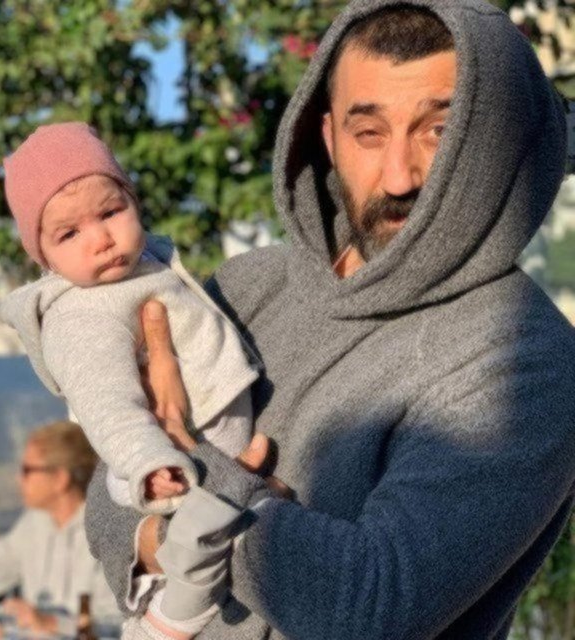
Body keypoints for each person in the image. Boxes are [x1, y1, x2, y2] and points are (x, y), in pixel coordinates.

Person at [85, 1, 575, 639]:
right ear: (328, 138)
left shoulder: (525, 358)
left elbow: (366, 609)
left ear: (496, 143)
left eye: (439, 131)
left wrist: (180, 470)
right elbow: (105, 494)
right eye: (368, 132)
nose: (398, 176)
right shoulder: (245, 286)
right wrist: (172, 533)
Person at [0, 122, 262, 639]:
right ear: (43, 257)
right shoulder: (80, 315)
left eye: (110, 212)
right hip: (161, 459)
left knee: (213, 539)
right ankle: (164, 621)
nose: (100, 239)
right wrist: (150, 462)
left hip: (203, 448)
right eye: (69, 234)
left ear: (133, 201)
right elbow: (107, 405)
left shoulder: (146, 266)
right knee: (198, 556)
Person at [0, 420, 120, 636]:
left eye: (27, 470)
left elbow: (117, 624)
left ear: (60, 479)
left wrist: (53, 623)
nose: (18, 479)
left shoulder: (107, 533)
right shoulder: (34, 523)